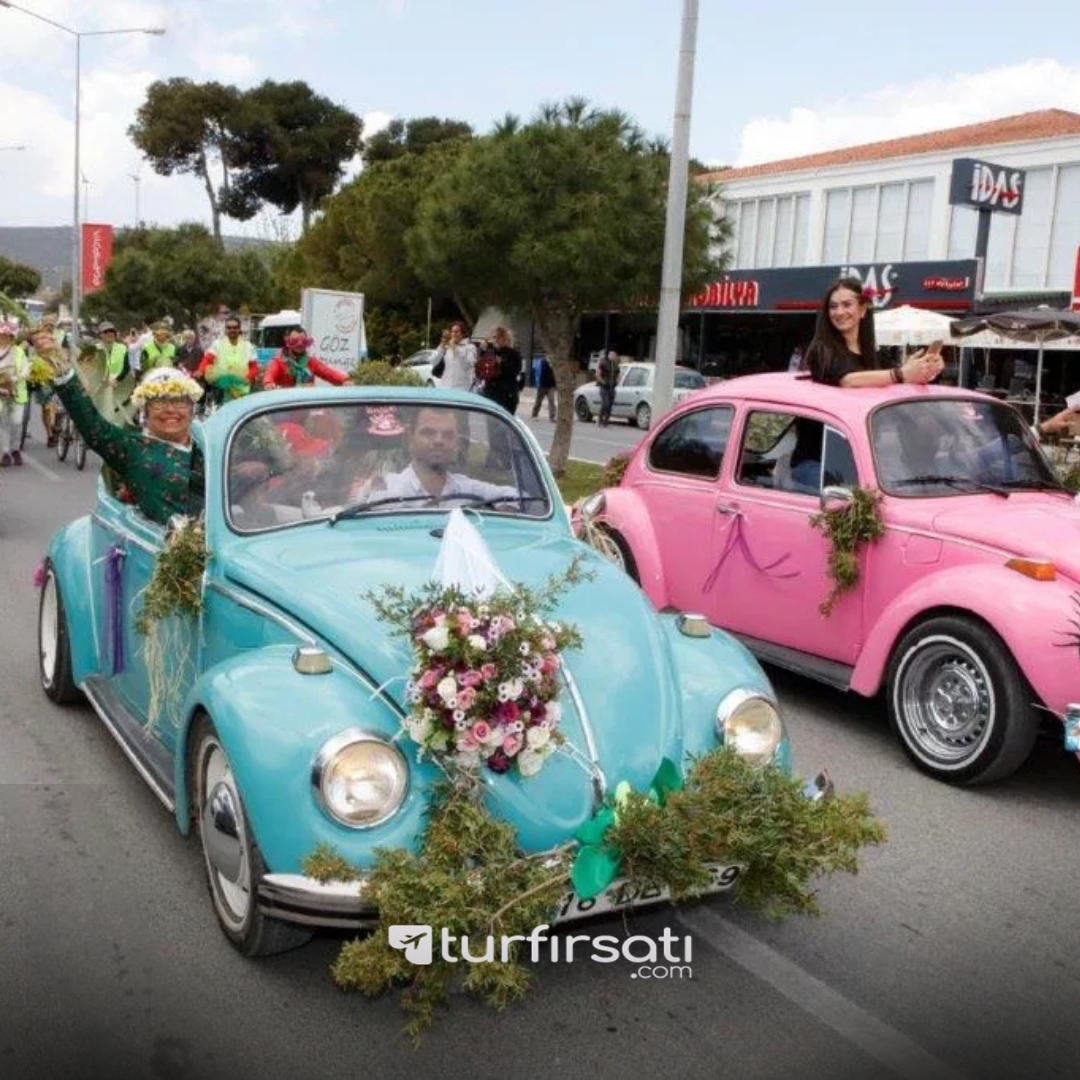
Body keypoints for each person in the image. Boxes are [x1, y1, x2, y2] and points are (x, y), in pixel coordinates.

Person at [37, 350, 204, 526]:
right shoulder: (131, 447)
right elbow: (92, 425)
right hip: (155, 546)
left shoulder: (211, 448)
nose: (170, 410)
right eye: (159, 403)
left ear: (192, 409)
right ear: (144, 411)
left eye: (179, 402)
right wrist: (63, 374)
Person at [805, 277, 943, 388]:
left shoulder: (875, 353)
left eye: (847, 304)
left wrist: (927, 369)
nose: (839, 312)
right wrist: (900, 374)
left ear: (863, 310)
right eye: (833, 306)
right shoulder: (821, 349)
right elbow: (847, 381)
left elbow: (902, 379)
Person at [371, 406, 518, 504]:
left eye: (448, 435)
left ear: (457, 443)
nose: (439, 441)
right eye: (428, 433)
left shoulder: (467, 489)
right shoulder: (388, 491)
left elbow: (520, 498)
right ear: (410, 437)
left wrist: (503, 508)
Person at [196, 316, 259, 402]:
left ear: (239, 329)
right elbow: (207, 359)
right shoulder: (217, 344)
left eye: (235, 328)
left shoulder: (248, 346)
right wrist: (200, 370)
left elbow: (254, 367)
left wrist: (248, 378)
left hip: (241, 388)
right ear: (225, 329)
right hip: (222, 388)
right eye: (229, 328)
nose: (232, 330)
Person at [262, 329, 350, 388]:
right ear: (288, 343)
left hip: (305, 405)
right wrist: (269, 383)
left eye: (303, 342)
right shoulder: (279, 361)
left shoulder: (311, 361)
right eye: (294, 342)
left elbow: (327, 372)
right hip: (284, 406)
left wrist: (344, 380)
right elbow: (270, 374)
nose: (299, 345)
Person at [0, 321, 29, 466]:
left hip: (17, 392)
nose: (4, 337)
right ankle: (5, 452)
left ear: (12, 337)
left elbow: (26, 370)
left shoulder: (18, 351)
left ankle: (15, 449)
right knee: (3, 423)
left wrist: (13, 379)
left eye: (7, 335)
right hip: (1, 393)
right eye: (2, 335)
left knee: (17, 422)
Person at [429, 321, 477, 392]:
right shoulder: (447, 347)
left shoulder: (470, 347)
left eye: (457, 332)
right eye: (452, 332)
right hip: (445, 387)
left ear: (463, 333)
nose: (454, 334)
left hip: (463, 388)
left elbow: (468, 364)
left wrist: (455, 349)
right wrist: (441, 346)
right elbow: (433, 361)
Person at [597, 349, 620, 426]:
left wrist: (617, 381)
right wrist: (602, 381)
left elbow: (618, 374)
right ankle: (600, 419)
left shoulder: (616, 365)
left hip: (612, 387)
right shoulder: (603, 363)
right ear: (609, 355)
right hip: (604, 387)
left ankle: (606, 421)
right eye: (612, 355)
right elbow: (598, 373)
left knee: (610, 404)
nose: (614, 357)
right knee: (605, 403)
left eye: (615, 355)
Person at [531, 355, 557, 420]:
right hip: (542, 386)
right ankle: (534, 414)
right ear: (546, 357)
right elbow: (538, 373)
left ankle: (552, 417)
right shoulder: (542, 362)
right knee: (538, 401)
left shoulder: (554, 364)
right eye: (549, 357)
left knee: (552, 401)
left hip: (551, 386)